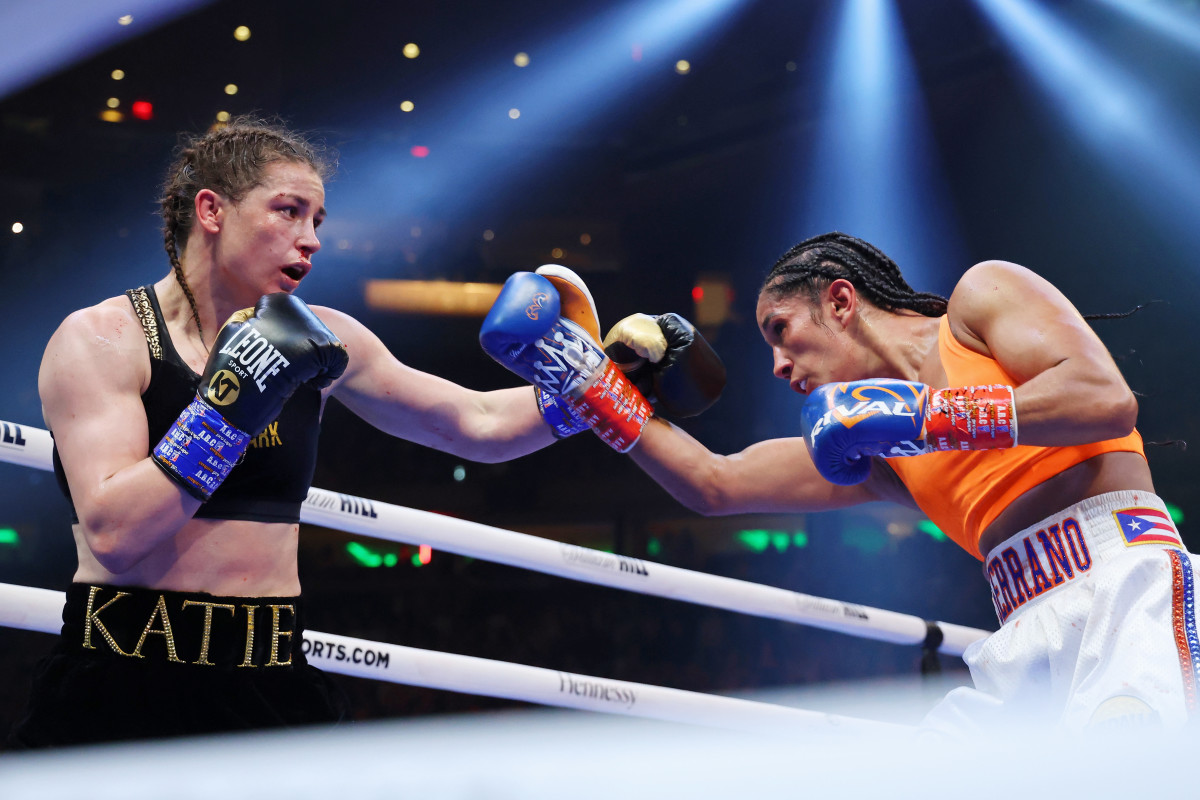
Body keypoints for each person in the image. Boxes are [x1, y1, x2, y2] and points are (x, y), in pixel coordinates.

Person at [5, 116, 642, 749]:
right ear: (211, 210)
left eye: (317, 220)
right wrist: (232, 403)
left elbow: (478, 423)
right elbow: (116, 535)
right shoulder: (104, 339)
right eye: (288, 211)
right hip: (122, 675)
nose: (310, 240)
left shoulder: (326, 338)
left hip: (272, 678)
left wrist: (598, 388)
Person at [485, 230, 1198, 731]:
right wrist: (594, 384)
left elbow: (1104, 399)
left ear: (840, 300)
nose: (777, 365)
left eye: (780, 329)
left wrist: (928, 417)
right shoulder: (874, 450)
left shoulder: (980, 300)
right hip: (1022, 628)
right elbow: (715, 483)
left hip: (1123, 581)